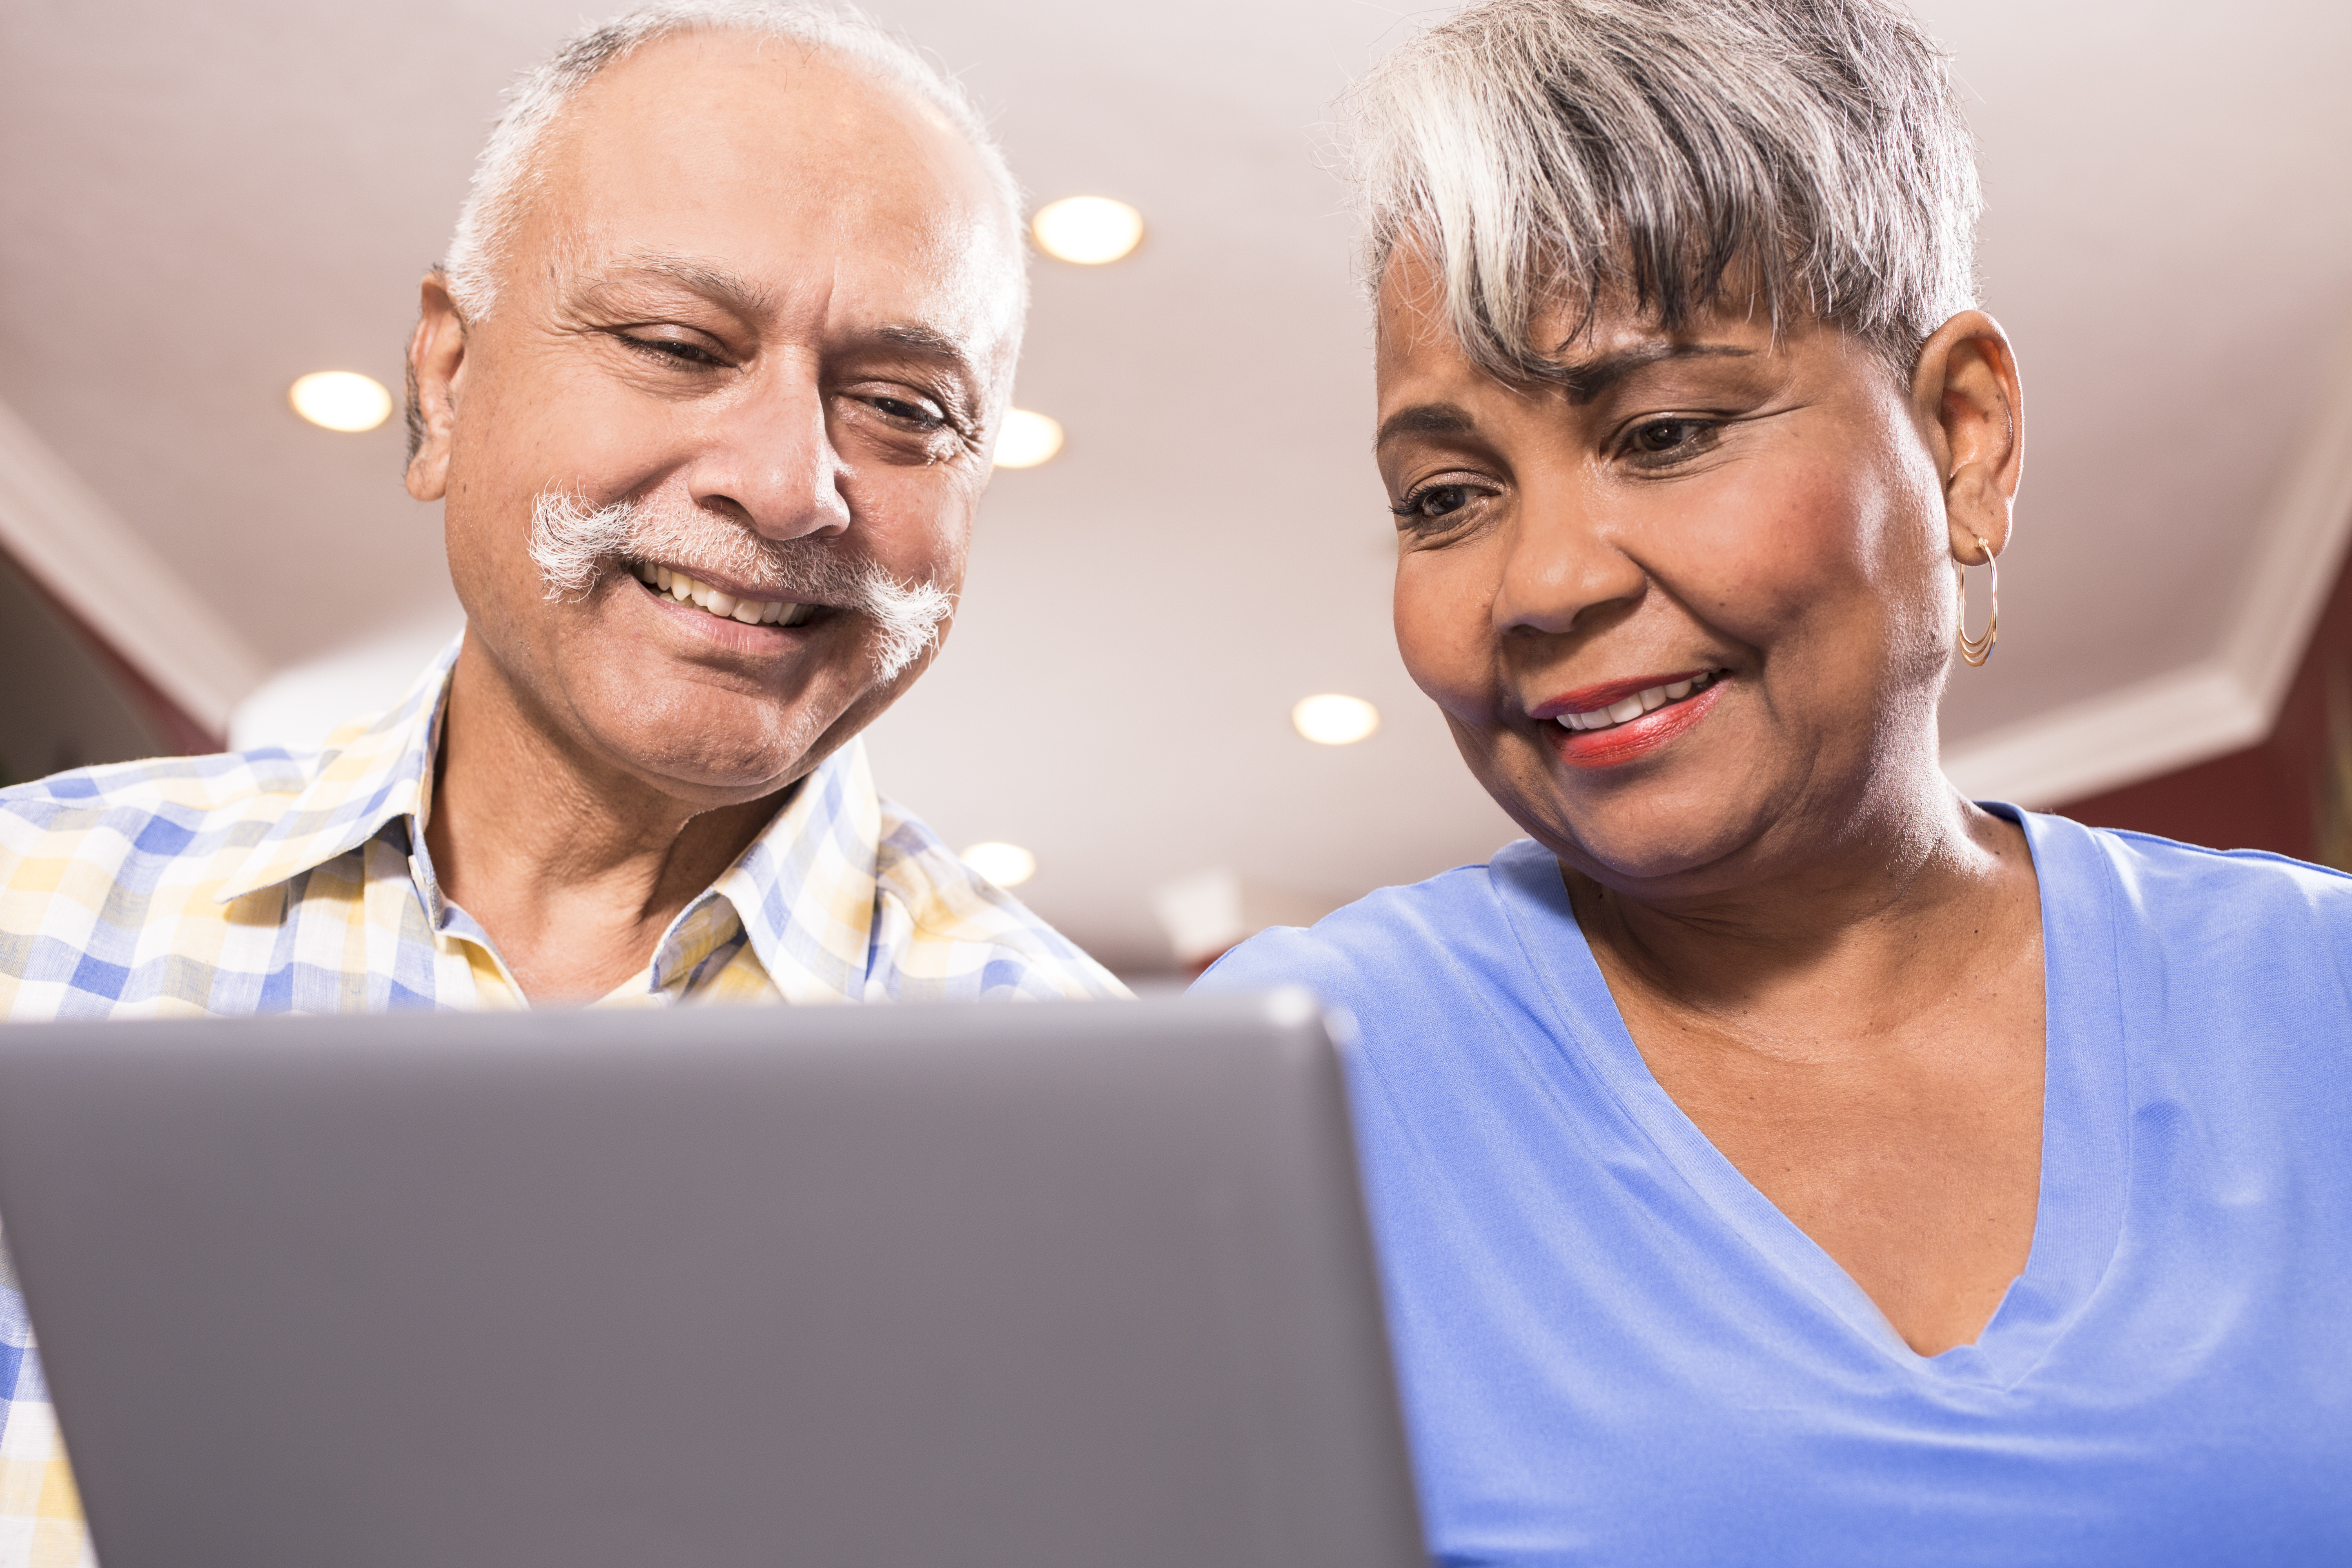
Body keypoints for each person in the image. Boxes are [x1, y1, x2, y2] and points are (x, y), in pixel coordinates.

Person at [1196, 0, 2352, 1560]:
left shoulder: (2316, 1000)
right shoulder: (1293, 1085)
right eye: (1448, 494)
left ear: (1962, 440)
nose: (1540, 582)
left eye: (1665, 432)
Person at [0, 3, 1123, 1558]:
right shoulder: (21, 917)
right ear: (445, 386)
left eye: (908, 409)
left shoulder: (1099, 1149)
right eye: (675, 345)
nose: (792, 484)